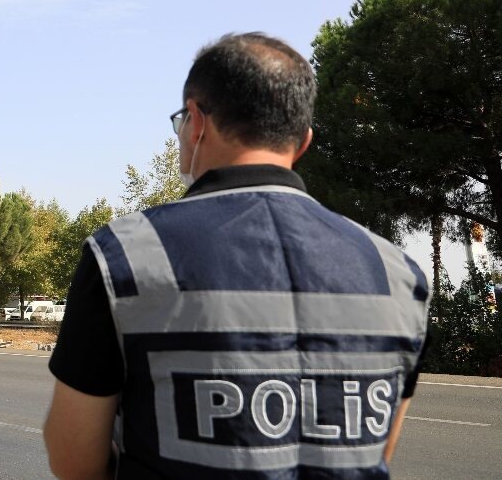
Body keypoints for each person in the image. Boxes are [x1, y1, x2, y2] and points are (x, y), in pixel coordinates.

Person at [43, 33, 429, 479]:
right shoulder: (400, 273)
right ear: (303, 142)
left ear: (196, 121)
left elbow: (73, 460)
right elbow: (378, 451)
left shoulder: (125, 255)